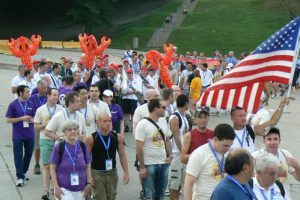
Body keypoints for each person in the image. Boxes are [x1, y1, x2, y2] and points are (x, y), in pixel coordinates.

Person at [184, 123, 235, 200]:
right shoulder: (199, 154)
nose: (227, 149)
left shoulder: (228, 154)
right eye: (225, 145)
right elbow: (188, 183)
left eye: (230, 145)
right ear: (215, 139)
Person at [85, 112, 129, 200]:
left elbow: (122, 155)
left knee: (111, 197)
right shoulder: (91, 138)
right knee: (100, 197)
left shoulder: (117, 137)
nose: (107, 123)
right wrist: (89, 178)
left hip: (112, 173)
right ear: (98, 122)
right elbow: (86, 160)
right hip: (97, 174)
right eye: (104, 121)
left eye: (109, 121)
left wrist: (126, 172)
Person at [135, 98, 172, 200]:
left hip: (163, 163)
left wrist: (170, 156)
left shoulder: (164, 121)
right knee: (149, 196)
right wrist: (142, 167)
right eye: (163, 107)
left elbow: (167, 140)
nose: (166, 109)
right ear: (156, 109)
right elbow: (138, 147)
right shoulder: (142, 124)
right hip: (148, 165)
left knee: (160, 194)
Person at [49, 121, 92, 200]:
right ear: (65, 132)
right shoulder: (59, 147)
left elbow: (88, 165)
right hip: (64, 189)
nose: (73, 131)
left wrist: (89, 183)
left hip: (81, 188)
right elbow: (52, 169)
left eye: (75, 129)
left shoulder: (82, 145)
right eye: (69, 129)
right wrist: (56, 187)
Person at [34, 88, 64, 200]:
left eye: (57, 95)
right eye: (54, 95)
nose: (56, 97)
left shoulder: (61, 109)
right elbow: (36, 126)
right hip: (45, 139)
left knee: (58, 166)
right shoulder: (40, 110)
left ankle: (55, 187)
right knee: (46, 166)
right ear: (48, 96)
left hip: (58, 140)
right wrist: (44, 125)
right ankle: (46, 191)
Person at [252, 127, 300, 194]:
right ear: (264, 141)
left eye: (275, 139)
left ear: (279, 141)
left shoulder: (285, 154)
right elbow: (250, 181)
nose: (273, 142)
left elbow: (299, 179)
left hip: (283, 197)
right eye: (269, 139)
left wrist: (297, 167)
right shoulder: (255, 157)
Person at [6, 85, 35, 186]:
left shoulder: (30, 103)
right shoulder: (13, 105)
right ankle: (20, 177)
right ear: (21, 93)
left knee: (29, 154)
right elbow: (8, 119)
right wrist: (21, 118)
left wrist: (32, 120)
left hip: (30, 134)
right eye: (27, 92)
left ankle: (23, 172)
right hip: (18, 134)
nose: (29, 94)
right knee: (18, 155)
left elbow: (34, 117)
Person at [168, 94, 190, 200]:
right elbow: (176, 137)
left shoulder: (184, 117)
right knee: (174, 183)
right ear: (186, 104)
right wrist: (183, 152)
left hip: (182, 154)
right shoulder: (175, 118)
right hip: (176, 154)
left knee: (180, 183)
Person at [29, 79, 48, 175]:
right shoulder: (32, 98)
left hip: (48, 126)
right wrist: (32, 120)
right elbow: (29, 112)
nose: (46, 90)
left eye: (46, 88)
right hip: (37, 125)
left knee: (49, 145)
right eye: (44, 88)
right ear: (38, 88)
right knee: (37, 146)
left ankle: (49, 166)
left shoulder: (48, 97)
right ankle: (37, 164)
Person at [121, 68, 142, 133]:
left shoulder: (136, 80)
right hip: (125, 98)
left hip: (133, 98)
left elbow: (139, 90)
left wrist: (131, 92)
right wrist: (127, 92)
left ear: (132, 73)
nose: (129, 74)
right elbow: (122, 90)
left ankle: (133, 127)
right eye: (128, 73)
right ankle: (128, 126)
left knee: (133, 113)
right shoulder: (124, 81)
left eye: (130, 73)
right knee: (126, 113)